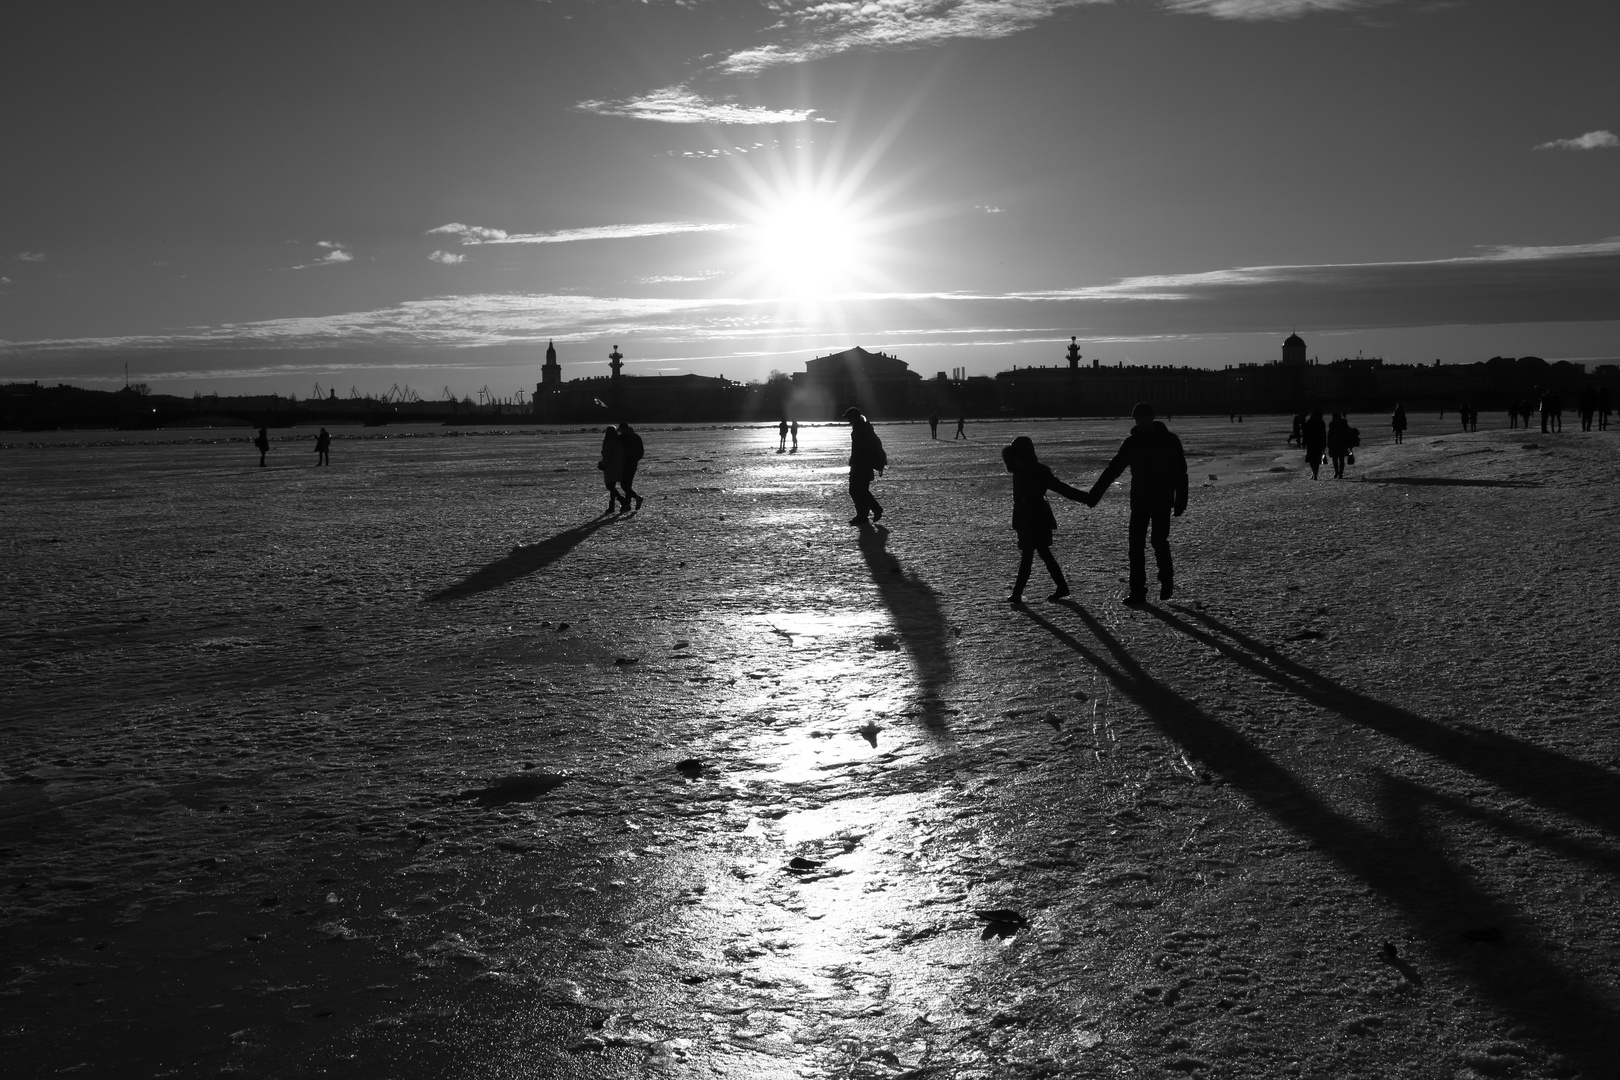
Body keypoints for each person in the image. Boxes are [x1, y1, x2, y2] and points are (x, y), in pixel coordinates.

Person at [1084, 402, 1188, 605]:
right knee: (1136, 547)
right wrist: (1095, 495)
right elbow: (1113, 469)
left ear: (1151, 418)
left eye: (1143, 418)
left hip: (1162, 500)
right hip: (1140, 501)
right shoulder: (1132, 443)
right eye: (1137, 419)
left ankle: (1166, 579)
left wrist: (1181, 500)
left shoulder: (1169, 441)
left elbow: (1180, 472)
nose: (1140, 422)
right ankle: (1138, 591)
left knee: (1158, 542)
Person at [1002, 437, 1087, 605]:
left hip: (1037, 518)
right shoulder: (1019, 470)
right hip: (1026, 518)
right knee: (1042, 553)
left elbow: (1061, 488)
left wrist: (1085, 498)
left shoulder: (1039, 471)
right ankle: (1060, 588)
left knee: (1031, 554)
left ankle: (1017, 593)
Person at [843, 407, 886, 526]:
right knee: (860, 490)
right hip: (863, 464)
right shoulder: (863, 427)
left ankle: (868, 512)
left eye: (849, 418)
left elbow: (861, 450)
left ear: (854, 417)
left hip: (862, 465)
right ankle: (865, 514)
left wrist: (856, 462)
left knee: (855, 490)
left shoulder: (860, 429)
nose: (848, 421)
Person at [617, 422, 645, 511]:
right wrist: (635, 459)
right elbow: (641, 451)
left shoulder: (621, 438)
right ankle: (627, 504)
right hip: (632, 463)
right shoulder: (636, 437)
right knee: (627, 484)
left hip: (624, 463)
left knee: (624, 484)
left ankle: (636, 498)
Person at [599, 426, 625, 514]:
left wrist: (602, 464)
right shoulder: (619, 441)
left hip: (610, 466)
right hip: (619, 465)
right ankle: (612, 506)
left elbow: (606, 455)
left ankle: (621, 500)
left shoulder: (608, 442)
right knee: (612, 486)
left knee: (609, 486)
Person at [1302, 408, 1327, 480]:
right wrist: (1304, 441)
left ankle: (1315, 473)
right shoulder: (1310, 423)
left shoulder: (1320, 423)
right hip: (1311, 443)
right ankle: (1314, 472)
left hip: (1317, 443)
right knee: (1311, 460)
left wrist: (1324, 444)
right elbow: (1305, 433)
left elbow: (1323, 434)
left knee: (1315, 460)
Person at [1327, 412, 1354, 479]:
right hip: (1340, 444)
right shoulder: (1341, 424)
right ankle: (1338, 472)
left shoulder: (1335, 425)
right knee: (1338, 459)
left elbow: (1330, 435)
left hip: (1338, 444)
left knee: (1337, 459)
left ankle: (1338, 472)